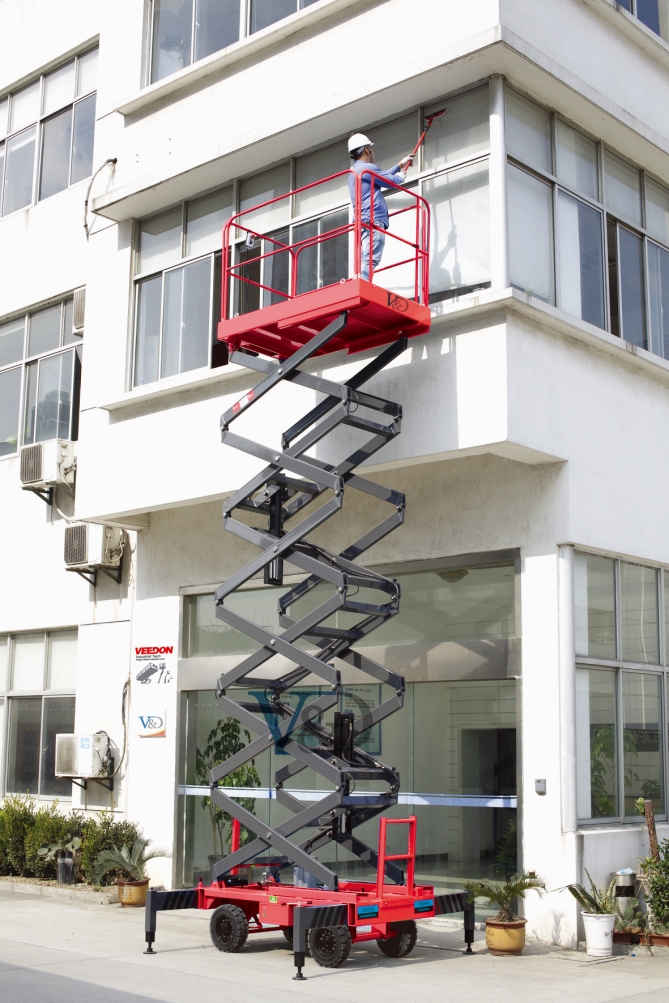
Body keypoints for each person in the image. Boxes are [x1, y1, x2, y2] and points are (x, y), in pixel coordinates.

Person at [347, 133, 411, 281]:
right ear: (367, 149)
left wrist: (399, 165)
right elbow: (388, 181)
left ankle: (360, 281)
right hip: (373, 221)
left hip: (362, 221)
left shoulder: (355, 172)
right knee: (370, 258)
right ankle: (363, 285)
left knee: (364, 257)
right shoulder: (367, 168)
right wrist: (399, 178)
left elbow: (381, 176)